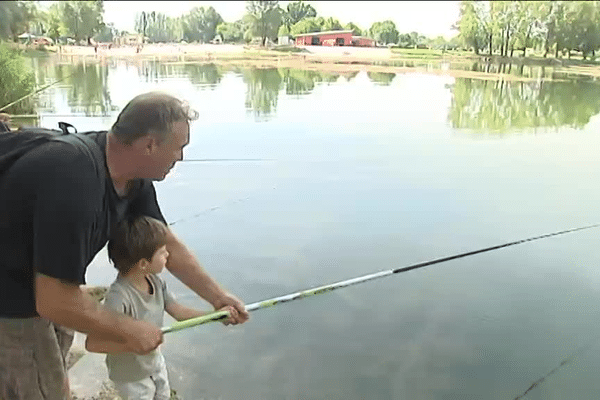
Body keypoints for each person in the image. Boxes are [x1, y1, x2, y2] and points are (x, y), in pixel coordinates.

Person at [0, 92, 249, 400]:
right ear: (149, 145)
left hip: (41, 280)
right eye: (179, 148)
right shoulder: (73, 177)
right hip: (12, 297)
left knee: (51, 371)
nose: (180, 158)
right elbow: (55, 301)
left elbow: (165, 241)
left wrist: (217, 297)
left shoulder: (132, 176)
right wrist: (129, 330)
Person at [86, 216, 237, 400]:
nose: (168, 255)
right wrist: (131, 343)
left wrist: (215, 316)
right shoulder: (119, 298)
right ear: (143, 263)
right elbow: (93, 344)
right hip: (131, 377)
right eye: (163, 252)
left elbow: (179, 312)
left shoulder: (155, 281)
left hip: (154, 363)